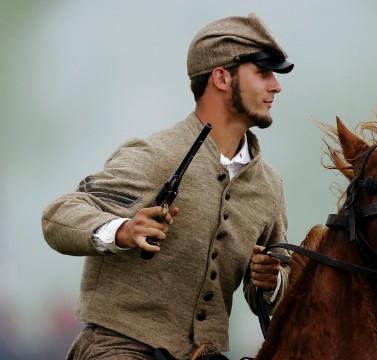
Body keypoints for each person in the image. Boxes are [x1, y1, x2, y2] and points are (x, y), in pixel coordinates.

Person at [42, 13, 293, 360]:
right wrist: (123, 230)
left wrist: (270, 281)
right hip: (119, 348)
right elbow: (59, 216)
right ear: (221, 77)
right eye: (263, 73)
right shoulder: (154, 155)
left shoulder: (271, 187)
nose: (276, 86)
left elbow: (279, 290)